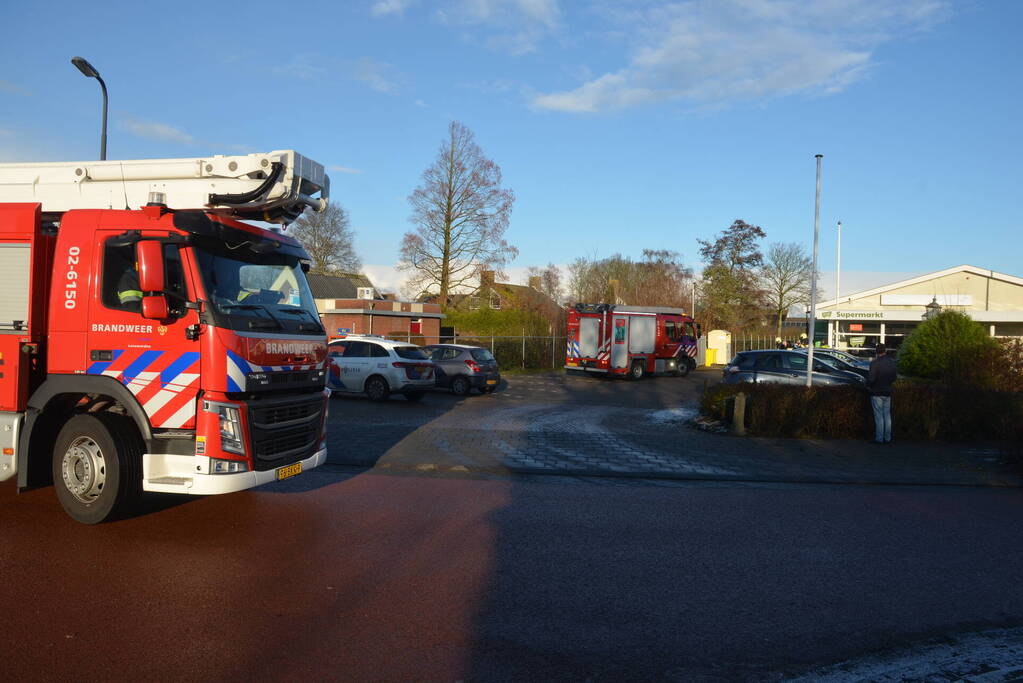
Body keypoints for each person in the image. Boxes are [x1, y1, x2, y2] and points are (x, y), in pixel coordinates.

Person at [867, 343, 898, 444]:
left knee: (879, 416)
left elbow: (871, 379)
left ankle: (879, 438)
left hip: (876, 392)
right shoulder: (892, 362)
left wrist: (868, 385)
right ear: (885, 351)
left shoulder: (874, 363)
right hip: (887, 391)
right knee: (887, 415)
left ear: (876, 351)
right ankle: (887, 438)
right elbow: (894, 377)